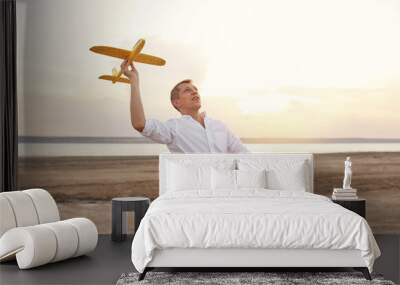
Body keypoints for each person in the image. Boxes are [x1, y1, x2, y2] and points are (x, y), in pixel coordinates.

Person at [121, 60, 249, 153]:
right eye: (187, 90)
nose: (194, 92)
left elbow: (244, 155)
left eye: (195, 89)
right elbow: (140, 124)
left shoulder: (219, 126)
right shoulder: (173, 128)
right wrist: (134, 81)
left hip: (224, 188)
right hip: (195, 189)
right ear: (176, 102)